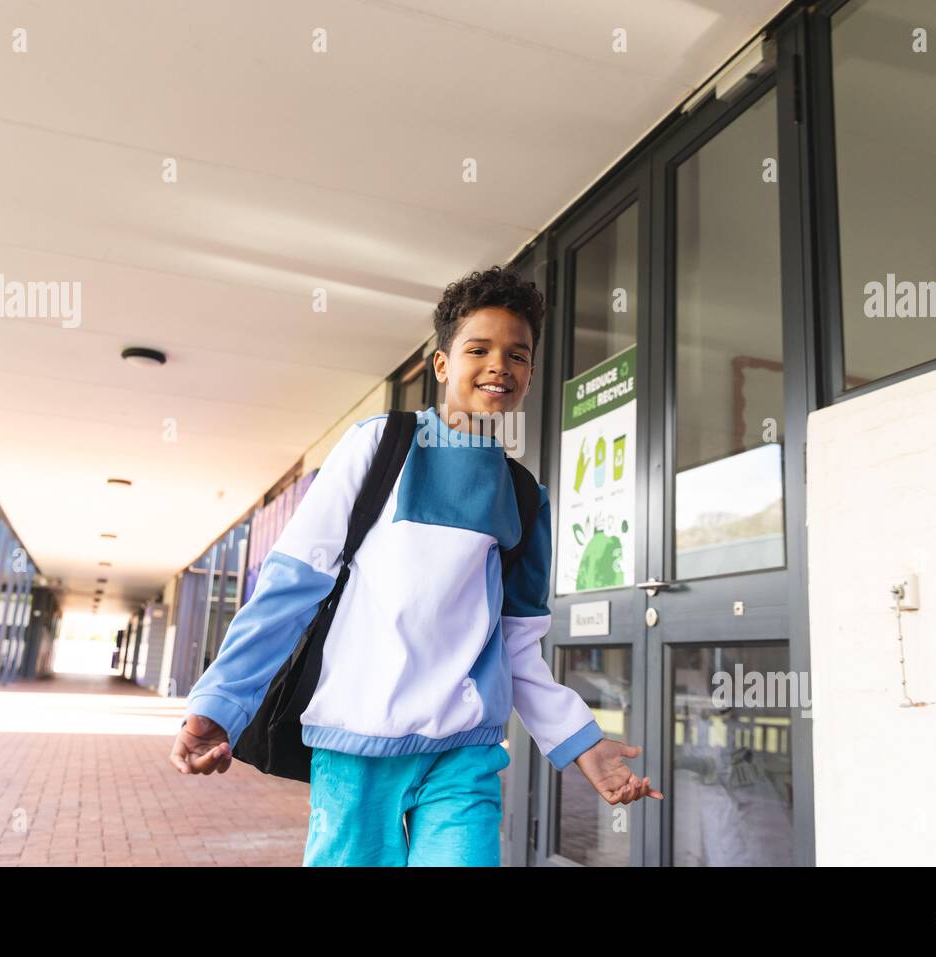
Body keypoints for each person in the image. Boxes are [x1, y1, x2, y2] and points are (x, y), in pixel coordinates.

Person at [169, 265, 662, 866]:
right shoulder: (378, 445)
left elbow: (518, 646)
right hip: (356, 745)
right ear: (441, 365)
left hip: (465, 750)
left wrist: (581, 745)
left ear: (531, 373)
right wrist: (219, 703)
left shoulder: (526, 497)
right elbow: (289, 590)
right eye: (478, 348)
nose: (499, 365)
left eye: (518, 354)